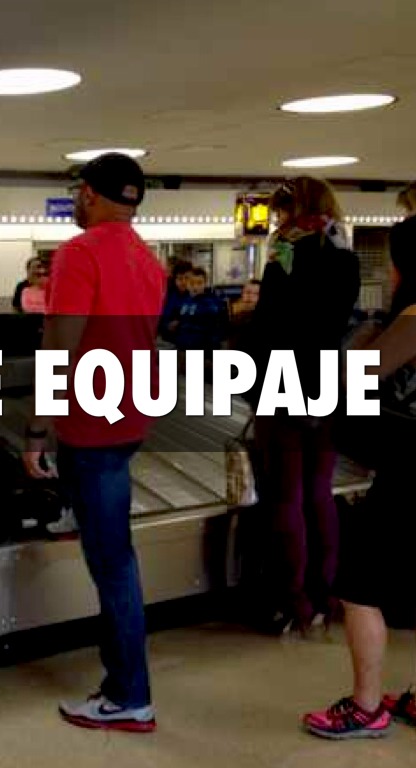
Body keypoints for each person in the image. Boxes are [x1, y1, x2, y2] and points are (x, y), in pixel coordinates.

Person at [23, 153, 165, 732]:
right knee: (114, 557)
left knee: (112, 562)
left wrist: (36, 430)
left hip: (90, 425)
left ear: (87, 193)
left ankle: (129, 695)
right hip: (129, 418)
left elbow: (59, 350)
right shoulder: (148, 259)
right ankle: (125, 685)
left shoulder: (79, 254)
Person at [303, 180, 416, 739]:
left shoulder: (413, 317)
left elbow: (358, 375)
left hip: (408, 474)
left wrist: (364, 337)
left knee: (359, 585)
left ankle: (367, 706)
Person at [245, 176, 360, 636]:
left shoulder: (285, 250)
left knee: (286, 493)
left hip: (283, 377)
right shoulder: (346, 256)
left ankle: (295, 600)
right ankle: (328, 593)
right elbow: (336, 321)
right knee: (319, 490)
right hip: (328, 377)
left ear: (292, 210)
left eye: (279, 211)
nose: (277, 220)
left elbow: (270, 322)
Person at [172, 268, 227, 350]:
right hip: (183, 347)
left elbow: (216, 330)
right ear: (187, 284)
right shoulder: (183, 302)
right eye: (192, 283)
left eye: (199, 283)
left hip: (203, 349)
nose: (195, 286)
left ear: (205, 284)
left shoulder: (211, 304)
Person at [160, 261, 193, 342]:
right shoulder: (168, 296)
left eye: (187, 278)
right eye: (180, 278)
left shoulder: (197, 296)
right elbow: (162, 318)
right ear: (175, 280)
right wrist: (167, 325)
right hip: (169, 340)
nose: (183, 282)